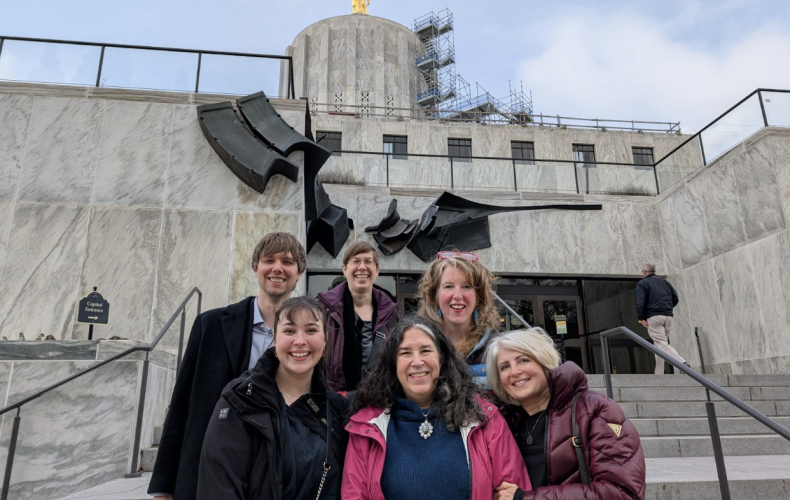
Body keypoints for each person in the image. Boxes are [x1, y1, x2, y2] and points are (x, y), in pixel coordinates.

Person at [148, 232, 307, 500]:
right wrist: (163, 486)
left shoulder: (309, 339)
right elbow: (181, 404)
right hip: (209, 467)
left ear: (299, 273)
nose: (278, 268)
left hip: (277, 472)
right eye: (269, 260)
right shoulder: (210, 326)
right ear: (256, 268)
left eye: (288, 262)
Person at [342, 316, 530, 500]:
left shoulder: (483, 418)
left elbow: (512, 490)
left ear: (442, 359)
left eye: (425, 351)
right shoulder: (366, 427)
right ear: (393, 364)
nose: (417, 362)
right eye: (405, 353)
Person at [197, 296, 348, 500]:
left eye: (311, 330)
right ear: (275, 339)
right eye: (289, 330)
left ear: (326, 340)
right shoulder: (241, 400)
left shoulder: (339, 410)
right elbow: (219, 488)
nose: (300, 341)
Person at [485, 328, 646, 500]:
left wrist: (525, 498)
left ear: (544, 362)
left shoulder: (594, 409)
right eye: (505, 367)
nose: (514, 372)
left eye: (523, 360)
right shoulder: (503, 422)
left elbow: (622, 492)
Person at [317, 241, 398, 392]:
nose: (362, 267)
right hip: (333, 404)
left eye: (368, 261)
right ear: (344, 269)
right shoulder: (323, 310)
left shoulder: (391, 315)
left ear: (377, 269)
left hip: (378, 405)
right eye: (355, 261)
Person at [417, 251, 500, 372]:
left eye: (466, 287)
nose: (457, 296)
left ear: (479, 297)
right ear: (435, 296)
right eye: (448, 286)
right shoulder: (417, 346)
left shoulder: (497, 348)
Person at [635, 263, 688, 374]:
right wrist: (666, 308)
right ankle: (659, 373)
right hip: (668, 317)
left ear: (645, 272)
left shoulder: (643, 283)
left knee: (662, 344)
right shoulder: (665, 283)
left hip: (654, 317)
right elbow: (675, 298)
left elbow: (640, 302)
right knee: (659, 345)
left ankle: (682, 362)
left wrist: (641, 318)